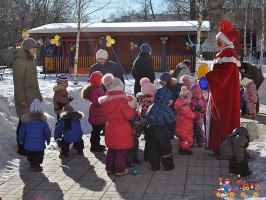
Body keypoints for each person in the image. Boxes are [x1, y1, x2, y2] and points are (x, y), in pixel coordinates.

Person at [200, 19, 241, 154]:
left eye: (219, 41)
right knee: (219, 119)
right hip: (222, 93)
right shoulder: (224, 52)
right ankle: (219, 146)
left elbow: (225, 75)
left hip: (225, 95)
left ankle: (223, 148)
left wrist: (209, 77)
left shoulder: (228, 53)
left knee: (223, 120)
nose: (217, 43)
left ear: (224, 41)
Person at [98, 73, 136, 177]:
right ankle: (120, 170)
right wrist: (133, 109)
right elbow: (129, 115)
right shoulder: (121, 100)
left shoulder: (105, 101)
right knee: (121, 150)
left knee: (112, 149)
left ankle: (109, 169)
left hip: (110, 126)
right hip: (121, 127)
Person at [13, 38, 43, 156]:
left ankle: (27, 145)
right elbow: (18, 83)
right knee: (23, 122)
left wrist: (39, 96)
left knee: (29, 122)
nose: (36, 50)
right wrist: (22, 100)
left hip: (32, 97)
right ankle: (21, 147)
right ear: (28, 48)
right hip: (24, 98)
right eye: (34, 48)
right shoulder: (19, 61)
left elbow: (35, 82)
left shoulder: (31, 60)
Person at [146, 79, 176, 171]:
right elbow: (171, 120)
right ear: (167, 98)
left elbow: (148, 116)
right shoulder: (165, 109)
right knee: (165, 148)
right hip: (162, 131)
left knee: (154, 148)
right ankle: (168, 165)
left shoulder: (151, 106)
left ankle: (154, 166)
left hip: (151, 130)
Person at [18, 99, 51, 171]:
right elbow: (47, 132)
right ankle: (37, 164)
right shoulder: (43, 122)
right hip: (39, 145)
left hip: (29, 145)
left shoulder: (26, 122)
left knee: (30, 154)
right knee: (39, 155)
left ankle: (32, 164)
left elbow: (22, 131)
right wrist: (48, 139)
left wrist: (20, 139)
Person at [81, 71, 106, 152]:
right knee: (96, 131)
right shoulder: (96, 90)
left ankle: (96, 144)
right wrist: (103, 101)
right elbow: (95, 100)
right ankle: (94, 146)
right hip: (97, 114)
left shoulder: (96, 88)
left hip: (98, 114)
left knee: (97, 131)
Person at [175, 86, 200, 155]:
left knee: (181, 138)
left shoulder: (179, 105)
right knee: (187, 139)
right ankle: (184, 149)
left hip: (179, 127)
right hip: (185, 127)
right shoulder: (186, 108)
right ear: (187, 99)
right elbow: (191, 115)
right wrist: (196, 115)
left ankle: (181, 147)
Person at [136, 77, 157, 161]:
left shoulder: (142, 99)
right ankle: (150, 156)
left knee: (148, 140)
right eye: (154, 91)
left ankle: (147, 156)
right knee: (151, 140)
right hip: (150, 122)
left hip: (144, 122)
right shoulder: (151, 101)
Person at [126, 94, 143, 168]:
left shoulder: (134, 112)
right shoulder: (129, 113)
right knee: (130, 149)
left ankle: (134, 158)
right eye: (135, 103)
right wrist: (140, 122)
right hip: (130, 134)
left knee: (135, 147)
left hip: (135, 134)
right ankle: (129, 161)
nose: (137, 105)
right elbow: (133, 123)